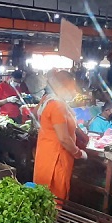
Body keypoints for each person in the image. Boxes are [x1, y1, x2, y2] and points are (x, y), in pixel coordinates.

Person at [34, 70, 87, 202]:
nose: (73, 90)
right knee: (55, 199)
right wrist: (78, 153)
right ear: (61, 85)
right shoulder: (57, 105)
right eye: (71, 86)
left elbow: (36, 114)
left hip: (45, 155)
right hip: (57, 159)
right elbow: (63, 138)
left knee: (42, 197)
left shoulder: (47, 99)